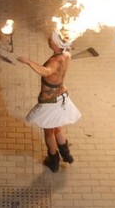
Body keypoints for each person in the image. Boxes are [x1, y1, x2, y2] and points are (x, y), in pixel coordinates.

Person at [18, 31, 80, 173]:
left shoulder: (55, 60)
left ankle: (54, 161)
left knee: (49, 133)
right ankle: (67, 155)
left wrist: (28, 61)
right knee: (58, 128)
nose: (48, 39)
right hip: (61, 97)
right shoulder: (67, 54)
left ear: (57, 44)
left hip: (50, 102)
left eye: (51, 39)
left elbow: (46, 72)